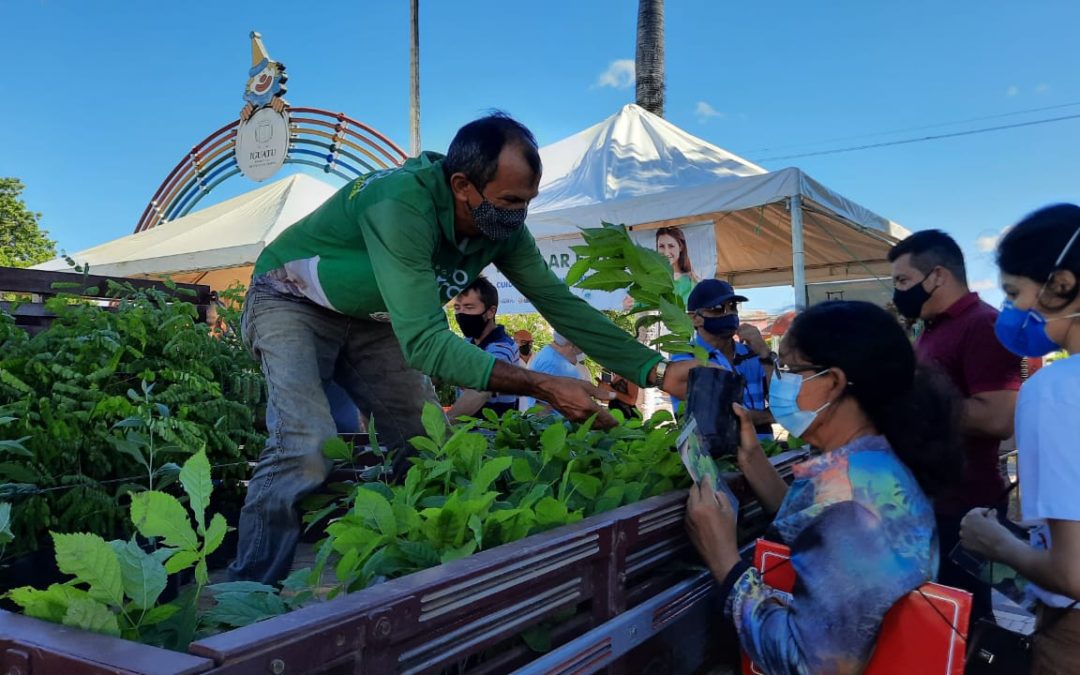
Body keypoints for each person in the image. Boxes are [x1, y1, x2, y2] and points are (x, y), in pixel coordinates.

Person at [230, 112, 693, 584]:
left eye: (528, 202)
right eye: (510, 200)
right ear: (461, 185)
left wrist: (656, 371)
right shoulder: (399, 204)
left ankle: (417, 580)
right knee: (306, 441)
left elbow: (557, 303)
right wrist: (543, 384)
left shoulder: (502, 229)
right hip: (290, 298)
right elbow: (427, 343)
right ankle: (244, 604)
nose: (519, 216)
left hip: (372, 318)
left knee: (427, 441)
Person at [686, 300, 962, 675]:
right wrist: (752, 459)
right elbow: (814, 525)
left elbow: (809, 665)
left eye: (786, 367)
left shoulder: (854, 507)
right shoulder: (868, 463)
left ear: (831, 382)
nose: (777, 379)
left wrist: (723, 560)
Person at [960, 204, 1080, 672]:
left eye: (1013, 293)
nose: (1008, 312)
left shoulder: (1055, 390)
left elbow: (1072, 573)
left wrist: (996, 543)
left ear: (1062, 286)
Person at [888, 229, 1022, 621]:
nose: (899, 292)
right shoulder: (932, 330)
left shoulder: (983, 325)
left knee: (961, 624)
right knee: (933, 623)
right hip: (933, 504)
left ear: (938, 276)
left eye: (903, 280)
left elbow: (998, 416)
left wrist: (910, 404)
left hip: (964, 510)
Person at [669, 280, 775, 438]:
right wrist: (769, 416)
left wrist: (765, 354)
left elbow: (785, 403)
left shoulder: (752, 354)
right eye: (718, 309)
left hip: (766, 454)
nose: (729, 313)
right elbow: (714, 419)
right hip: (717, 460)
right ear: (694, 318)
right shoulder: (685, 359)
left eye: (733, 307)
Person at [447, 276, 519, 418]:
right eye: (457, 308)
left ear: (490, 312)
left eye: (469, 307)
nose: (461, 314)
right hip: (466, 434)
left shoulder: (503, 348)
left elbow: (479, 392)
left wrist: (442, 429)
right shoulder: (467, 342)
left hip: (491, 437)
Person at [519, 333, 587, 413]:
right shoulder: (552, 364)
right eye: (577, 352)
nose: (576, 359)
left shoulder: (553, 357)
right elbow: (540, 409)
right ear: (570, 345)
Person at [656, 226, 699, 305]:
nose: (666, 252)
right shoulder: (651, 279)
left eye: (671, 246)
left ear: (681, 247)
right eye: (661, 246)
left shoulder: (693, 282)